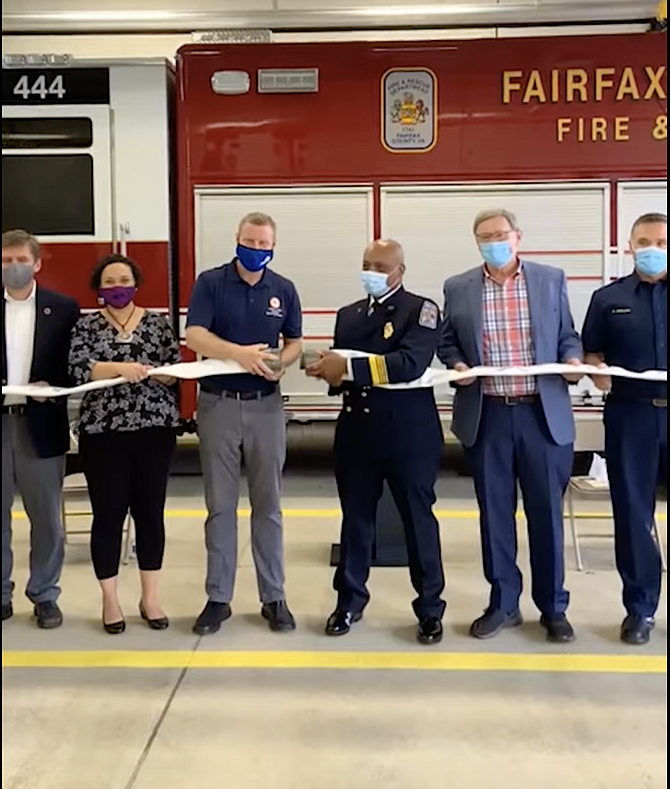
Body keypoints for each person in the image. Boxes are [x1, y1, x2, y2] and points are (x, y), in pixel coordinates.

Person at [438, 209, 583, 644]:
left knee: (546, 517)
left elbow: (567, 336)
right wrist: (457, 364)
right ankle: (503, 603)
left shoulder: (550, 279)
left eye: (500, 235)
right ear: (476, 242)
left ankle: (553, 608)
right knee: (495, 515)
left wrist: (574, 360)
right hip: (489, 414)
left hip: (542, 414)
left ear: (518, 237)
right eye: (485, 237)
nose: (493, 242)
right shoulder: (458, 287)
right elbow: (447, 342)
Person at [306, 239, 446, 645]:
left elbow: (408, 364)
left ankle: (430, 608)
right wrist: (331, 375)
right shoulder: (348, 314)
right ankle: (348, 601)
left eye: (381, 265)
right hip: (357, 431)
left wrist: (345, 367)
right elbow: (347, 374)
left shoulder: (421, 310)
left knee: (418, 522)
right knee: (356, 521)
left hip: (408, 433)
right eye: (367, 263)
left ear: (400, 270)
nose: (372, 270)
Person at [185, 212, 303, 635]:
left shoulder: (283, 289)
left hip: (266, 407)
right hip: (219, 405)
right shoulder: (211, 283)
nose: (256, 251)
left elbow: (295, 341)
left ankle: (274, 597)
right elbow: (194, 335)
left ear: (273, 247)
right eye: (249, 243)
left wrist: (280, 364)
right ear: (237, 240)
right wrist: (239, 354)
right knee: (220, 507)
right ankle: (218, 597)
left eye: (263, 245)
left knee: (268, 506)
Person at [68, 254, 180, 634]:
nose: (118, 287)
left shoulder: (157, 323)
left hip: (154, 429)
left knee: (151, 514)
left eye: (124, 280)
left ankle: (150, 598)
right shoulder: (86, 326)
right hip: (104, 432)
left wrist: (160, 375)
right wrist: (121, 368)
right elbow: (79, 366)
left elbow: (174, 367)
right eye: (110, 281)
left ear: (136, 283)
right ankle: (110, 599)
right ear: (99, 287)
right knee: (109, 515)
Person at [582, 212, 667, 646]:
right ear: (630, 245)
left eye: (661, 241)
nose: (653, 249)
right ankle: (640, 609)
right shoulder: (607, 298)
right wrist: (596, 370)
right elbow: (591, 351)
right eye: (645, 241)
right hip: (631, 416)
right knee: (633, 517)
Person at [2, 229, 79, 629]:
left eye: (19, 260)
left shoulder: (63, 308)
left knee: (46, 518)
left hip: (40, 424)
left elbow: (75, 366)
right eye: (5, 260)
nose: (12, 267)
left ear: (37, 264)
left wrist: (54, 388)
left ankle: (45, 594)